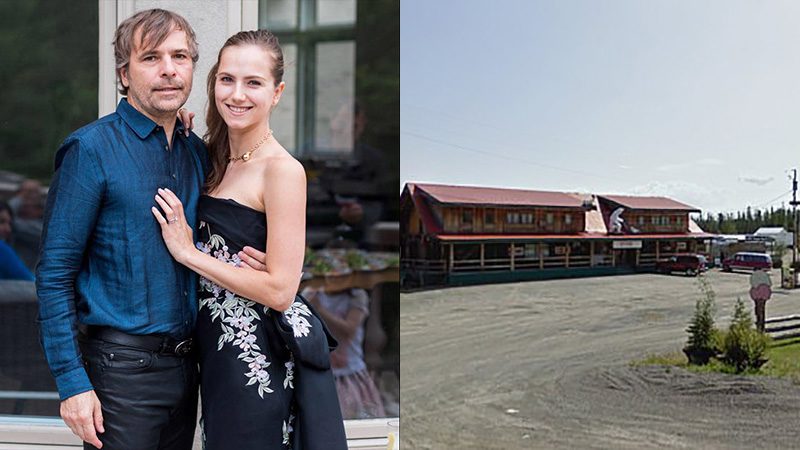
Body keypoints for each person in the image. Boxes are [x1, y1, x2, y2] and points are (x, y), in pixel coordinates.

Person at [152, 30, 347, 449]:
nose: (237, 94)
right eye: (227, 80)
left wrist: (189, 253)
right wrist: (176, 126)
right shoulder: (211, 156)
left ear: (276, 93)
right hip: (215, 356)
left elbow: (279, 290)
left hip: (257, 358)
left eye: (253, 83)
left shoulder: (282, 171)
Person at [36, 9, 210, 450]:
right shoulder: (90, 150)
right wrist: (71, 382)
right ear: (124, 74)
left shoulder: (194, 151)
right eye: (151, 57)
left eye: (180, 56)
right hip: (120, 375)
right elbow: (54, 274)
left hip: (188, 371)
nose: (169, 69)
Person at [302, 280, 386, 419]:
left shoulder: (356, 296)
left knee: (354, 419)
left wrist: (320, 310)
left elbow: (349, 330)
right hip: (320, 372)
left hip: (349, 374)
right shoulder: (312, 293)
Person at [0, 200, 34, 281]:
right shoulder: (2, 249)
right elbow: (31, 283)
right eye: (1, 222)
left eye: (9, 224)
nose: (8, 229)